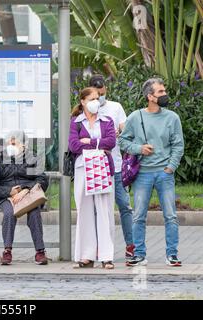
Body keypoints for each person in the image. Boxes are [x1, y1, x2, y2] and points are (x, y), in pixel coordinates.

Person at [119, 78, 184, 267]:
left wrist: (170, 167)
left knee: (170, 215)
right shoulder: (135, 117)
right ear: (150, 96)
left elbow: (178, 145)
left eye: (164, 91)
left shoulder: (172, 118)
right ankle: (139, 254)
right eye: (160, 92)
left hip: (165, 174)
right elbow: (123, 141)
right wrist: (139, 148)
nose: (164, 95)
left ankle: (172, 254)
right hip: (143, 175)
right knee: (138, 215)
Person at [68, 87, 117, 269]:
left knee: (104, 211)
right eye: (92, 98)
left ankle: (106, 256)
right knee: (84, 211)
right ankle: (86, 255)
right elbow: (73, 145)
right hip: (83, 168)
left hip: (102, 168)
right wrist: (98, 145)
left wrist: (89, 142)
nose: (97, 101)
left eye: (98, 98)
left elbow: (110, 142)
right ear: (83, 101)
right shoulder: (76, 122)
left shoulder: (107, 120)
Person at [89, 74, 135, 261]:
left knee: (124, 205)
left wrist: (120, 131)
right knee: (96, 209)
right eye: (96, 93)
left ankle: (131, 245)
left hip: (115, 166)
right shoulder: (86, 109)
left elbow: (126, 129)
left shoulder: (115, 107)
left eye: (102, 92)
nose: (100, 96)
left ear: (106, 89)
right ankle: (97, 247)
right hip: (95, 167)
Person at [0, 131, 49, 265]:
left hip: (29, 194)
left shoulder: (32, 159)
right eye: (9, 142)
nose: (11, 144)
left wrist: (25, 189)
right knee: (9, 213)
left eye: (14, 142)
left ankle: (40, 251)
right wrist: (10, 191)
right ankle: (7, 250)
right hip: (7, 196)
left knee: (34, 212)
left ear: (24, 145)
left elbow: (42, 180)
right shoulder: (0, 160)